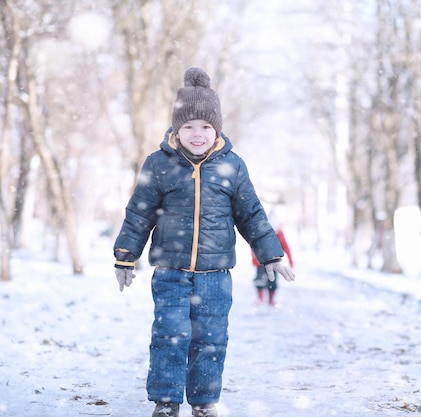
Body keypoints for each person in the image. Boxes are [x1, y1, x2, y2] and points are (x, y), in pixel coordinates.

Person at [112, 67, 295, 417]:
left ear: (217, 129)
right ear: (176, 130)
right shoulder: (159, 164)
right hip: (170, 271)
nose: (198, 134)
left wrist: (271, 254)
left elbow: (252, 215)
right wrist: (124, 255)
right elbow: (139, 214)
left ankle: (204, 401)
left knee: (210, 339)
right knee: (170, 336)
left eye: (206, 126)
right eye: (189, 126)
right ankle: (166, 402)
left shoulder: (232, 166)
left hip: (215, 275)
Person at [252, 224, 293, 306]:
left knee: (272, 281)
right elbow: (253, 245)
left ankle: (271, 299)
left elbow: (285, 246)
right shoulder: (259, 230)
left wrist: (290, 259)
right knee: (259, 280)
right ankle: (260, 298)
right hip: (260, 260)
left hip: (273, 260)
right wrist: (254, 258)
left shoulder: (279, 233)